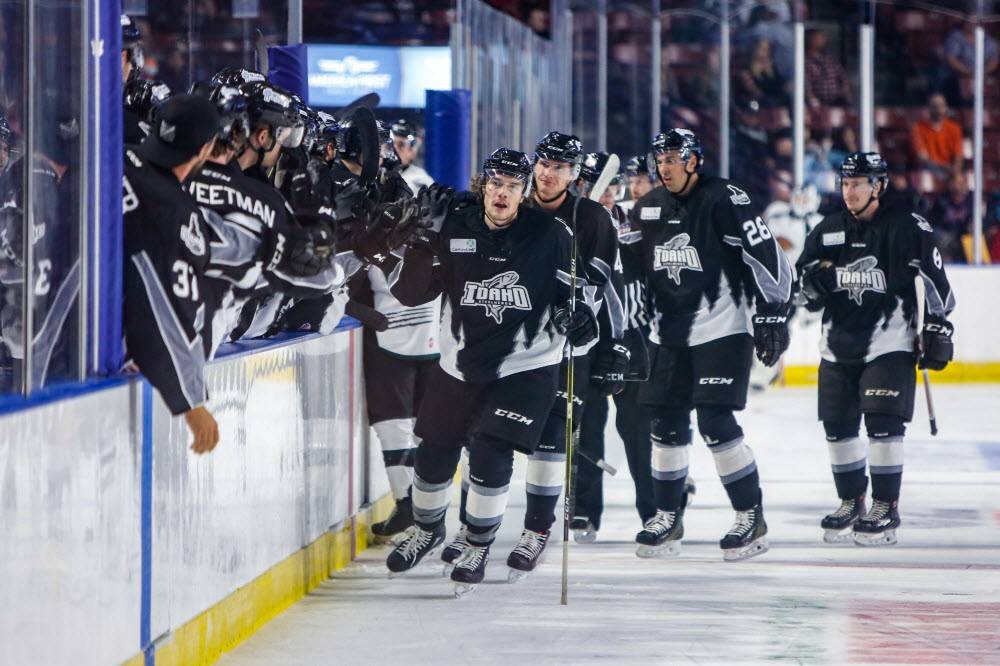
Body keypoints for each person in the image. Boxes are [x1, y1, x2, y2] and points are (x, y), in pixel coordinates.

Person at [383, 148, 598, 596]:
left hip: (526, 366)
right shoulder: (455, 226)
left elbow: (573, 302)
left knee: (489, 450)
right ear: (484, 184)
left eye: (514, 186)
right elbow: (408, 293)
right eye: (496, 183)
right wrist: (424, 237)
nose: (503, 193)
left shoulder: (550, 234)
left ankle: (478, 543)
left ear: (524, 193)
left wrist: (578, 320)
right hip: (459, 362)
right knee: (433, 454)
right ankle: (428, 529)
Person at [443, 133, 625, 580]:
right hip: (506, 347)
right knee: (481, 434)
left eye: (561, 167)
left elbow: (604, 283)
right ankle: (473, 530)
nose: (549, 173)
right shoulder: (514, 209)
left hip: (565, 348)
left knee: (549, 438)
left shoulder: (592, 218)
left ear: (575, 174)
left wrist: (602, 332)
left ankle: (536, 531)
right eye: (544, 163)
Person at [630, 128, 793, 561]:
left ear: (694, 161)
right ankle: (667, 515)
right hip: (668, 333)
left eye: (674, 159)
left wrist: (773, 311)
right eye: (660, 159)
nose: (665, 167)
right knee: (664, 426)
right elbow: (624, 269)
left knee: (715, 422)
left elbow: (768, 256)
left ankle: (748, 514)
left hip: (723, 328)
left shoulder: (725, 199)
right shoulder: (646, 208)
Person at [797, 152, 955, 546]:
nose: (850, 191)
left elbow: (939, 284)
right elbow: (803, 284)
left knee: (883, 425)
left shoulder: (907, 226)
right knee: (838, 429)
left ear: (878, 186)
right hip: (836, 346)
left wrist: (938, 324)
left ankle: (886, 505)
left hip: (890, 343)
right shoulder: (827, 229)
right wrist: (810, 287)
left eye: (858, 184)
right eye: (846, 184)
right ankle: (851, 500)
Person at [122, 94, 223, 454]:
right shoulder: (178, 214)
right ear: (205, 148)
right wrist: (190, 402)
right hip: (85, 362)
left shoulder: (115, 155)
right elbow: (159, 307)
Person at [572, 152, 656, 543]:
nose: (608, 196)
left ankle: (654, 510)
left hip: (634, 339)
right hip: (588, 343)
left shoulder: (638, 226)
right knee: (587, 428)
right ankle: (585, 512)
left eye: (614, 188)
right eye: (598, 187)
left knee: (639, 431)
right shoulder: (572, 227)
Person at [910, 93, 963, 175]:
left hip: (949, 172)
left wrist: (956, 174)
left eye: (941, 106)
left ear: (946, 107)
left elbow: (958, 156)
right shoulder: (918, 128)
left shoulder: (954, 128)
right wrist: (947, 169)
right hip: (929, 171)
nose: (938, 109)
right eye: (935, 106)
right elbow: (923, 158)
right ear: (929, 108)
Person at [805, 29, 851, 108]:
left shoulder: (830, 60)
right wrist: (812, 99)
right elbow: (806, 84)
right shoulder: (804, 61)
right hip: (816, 103)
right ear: (810, 39)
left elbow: (843, 78)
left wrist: (845, 93)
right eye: (820, 37)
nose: (824, 39)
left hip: (837, 101)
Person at [390, 119, 434, 194]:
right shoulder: (376, 174)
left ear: (413, 152)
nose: (394, 150)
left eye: (401, 145)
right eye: (390, 144)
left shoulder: (423, 180)